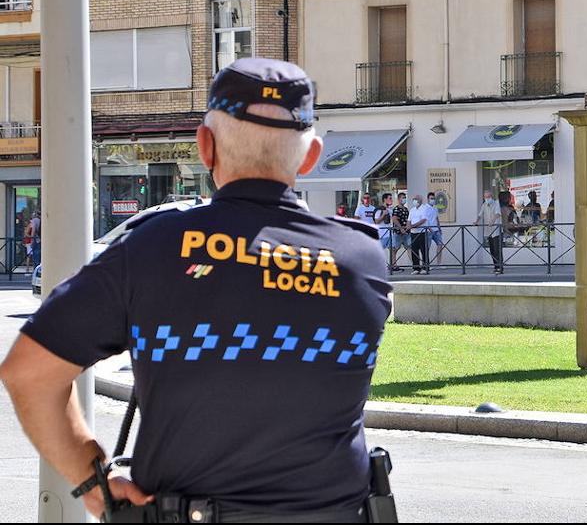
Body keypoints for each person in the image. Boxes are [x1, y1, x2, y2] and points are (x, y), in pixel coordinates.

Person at [0, 58, 394, 522]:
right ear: (310, 157)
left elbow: (29, 372)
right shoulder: (363, 260)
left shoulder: (153, 246)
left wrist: (92, 480)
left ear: (204, 147)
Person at [408, 194, 439, 274]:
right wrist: (409, 227)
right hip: (413, 232)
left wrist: (413, 226)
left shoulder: (424, 209)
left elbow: (423, 220)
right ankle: (416, 268)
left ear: (420, 200)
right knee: (414, 250)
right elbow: (409, 220)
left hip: (422, 232)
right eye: (414, 199)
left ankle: (425, 268)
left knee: (424, 250)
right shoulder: (412, 210)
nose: (414, 201)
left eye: (416, 199)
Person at [475, 189, 503, 274]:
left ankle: (500, 267)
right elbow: (480, 215)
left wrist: (492, 221)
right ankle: (495, 266)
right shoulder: (484, 205)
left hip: (496, 231)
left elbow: (497, 214)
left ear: (492, 197)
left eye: (489, 197)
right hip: (488, 231)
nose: (487, 198)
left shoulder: (496, 203)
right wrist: (476, 221)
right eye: (486, 197)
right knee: (492, 250)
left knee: (497, 250)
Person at [424, 192, 447, 265]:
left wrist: (439, 228)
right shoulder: (425, 208)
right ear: (428, 199)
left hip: (436, 230)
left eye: (434, 199)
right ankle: (426, 264)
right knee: (427, 247)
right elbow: (425, 219)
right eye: (431, 198)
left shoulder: (435, 207)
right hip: (428, 231)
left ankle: (439, 263)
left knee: (440, 245)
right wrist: (429, 228)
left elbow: (437, 218)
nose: (433, 200)